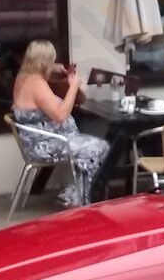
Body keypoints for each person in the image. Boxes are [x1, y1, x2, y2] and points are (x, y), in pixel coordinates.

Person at [12, 40, 109, 208]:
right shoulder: (37, 84)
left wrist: (54, 68)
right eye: (51, 60)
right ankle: (75, 197)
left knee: (88, 148)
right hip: (45, 145)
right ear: (45, 62)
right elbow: (60, 115)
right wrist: (73, 87)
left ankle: (77, 193)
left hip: (35, 141)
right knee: (100, 147)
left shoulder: (23, 77)